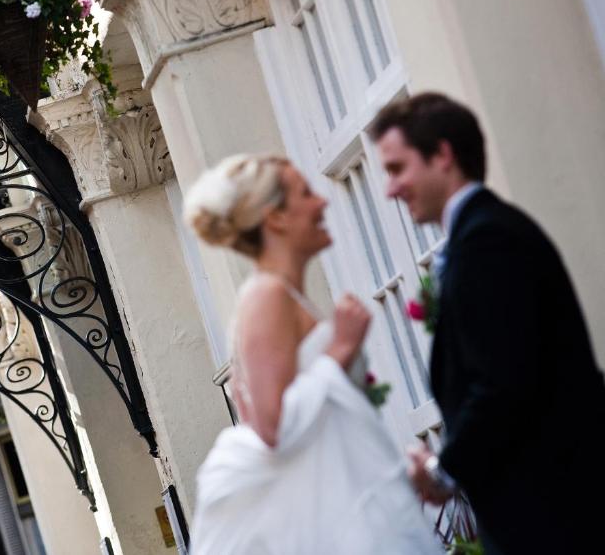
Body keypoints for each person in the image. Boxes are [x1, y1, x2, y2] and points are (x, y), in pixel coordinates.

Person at [371, 92, 605, 554]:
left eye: (398, 168)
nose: (390, 189)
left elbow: (504, 382)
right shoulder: (478, 237)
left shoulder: (489, 240)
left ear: (442, 154)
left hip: (556, 511)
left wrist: (443, 472)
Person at [186, 155, 441, 554]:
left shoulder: (283, 296)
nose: (321, 203)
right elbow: (275, 428)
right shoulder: (267, 296)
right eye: (305, 194)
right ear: (276, 220)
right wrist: (339, 349)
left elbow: (316, 450)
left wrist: (401, 477)